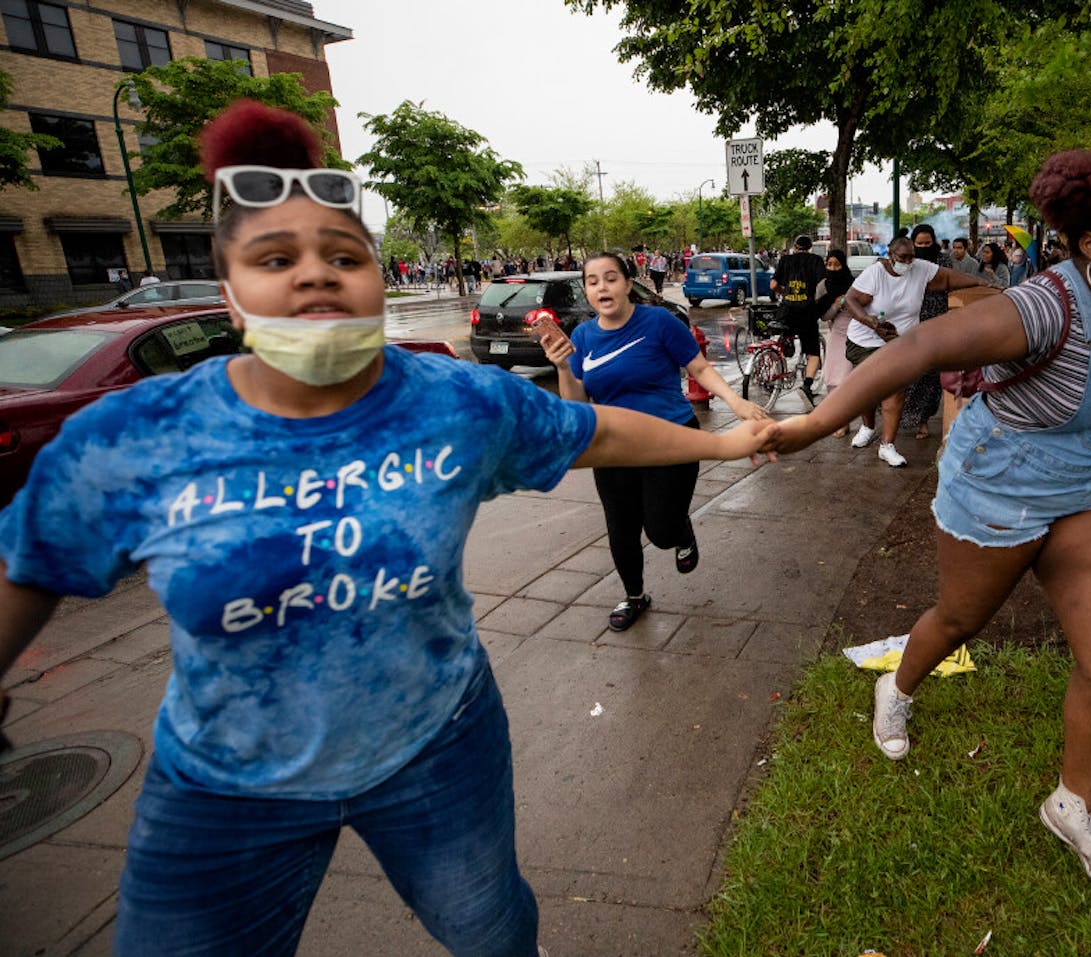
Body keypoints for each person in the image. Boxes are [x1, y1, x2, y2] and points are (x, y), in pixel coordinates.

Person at [0, 101, 775, 957]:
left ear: (374, 277)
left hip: (439, 747)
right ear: (230, 294)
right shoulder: (133, 438)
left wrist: (726, 439)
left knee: (495, 934)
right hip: (226, 790)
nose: (316, 274)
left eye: (344, 254)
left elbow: (598, 434)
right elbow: (30, 565)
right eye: (275, 257)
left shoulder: (451, 402)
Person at [767, 147, 1091, 895]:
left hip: (1089, 486)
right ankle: (897, 686)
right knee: (959, 619)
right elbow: (916, 351)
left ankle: (1072, 804)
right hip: (999, 484)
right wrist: (811, 427)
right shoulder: (1042, 305)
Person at [538, 252, 770, 632]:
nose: (602, 287)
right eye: (593, 281)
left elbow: (698, 367)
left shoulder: (658, 322)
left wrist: (736, 401)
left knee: (661, 532)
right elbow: (576, 404)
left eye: (611, 278)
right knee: (621, 529)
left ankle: (680, 531)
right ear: (586, 291)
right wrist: (562, 366)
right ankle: (634, 596)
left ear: (628, 284)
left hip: (671, 439)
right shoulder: (581, 337)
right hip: (613, 448)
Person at [841, 235, 991, 467]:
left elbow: (948, 278)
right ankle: (868, 426)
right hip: (865, 340)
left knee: (895, 389)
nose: (908, 262)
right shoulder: (875, 274)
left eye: (912, 257)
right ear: (891, 255)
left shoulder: (920, 269)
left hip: (899, 341)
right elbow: (850, 300)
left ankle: (887, 446)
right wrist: (871, 322)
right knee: (869, 389)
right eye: (903, 257)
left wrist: (980, 282)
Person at [901, 224, 954, 440]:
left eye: (927, 243)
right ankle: (903, 417)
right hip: (910, 322)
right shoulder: (908, 263)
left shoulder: (943, 261)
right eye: (919, 243)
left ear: (934, 242)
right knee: (909, 374)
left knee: (931, 377)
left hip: (937, 321)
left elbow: (950, 284)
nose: (923, 247)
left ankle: (923, 420)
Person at [770, 234, 826, 407]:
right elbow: (822, 286)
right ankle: (807, 386)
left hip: (786, 311)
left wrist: (783, 292)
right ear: (810, 247)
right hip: (807, 312)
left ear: (795, 246)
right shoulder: (816, 261)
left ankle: (784, 345)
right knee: (813, 352)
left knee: (783, 333)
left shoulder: (785, 260)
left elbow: (773, 285)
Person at [813, 248, 855, 437]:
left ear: (843, 265)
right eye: (829, 264)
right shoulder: (823, 286)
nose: (832, 268)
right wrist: (836, 306)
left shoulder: (854, 284)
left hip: (855, 333)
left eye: (836, 264)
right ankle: (839, 420)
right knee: (832, 378)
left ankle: (845, 420)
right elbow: (823, 316)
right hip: (836, 334)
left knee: (847, 379)